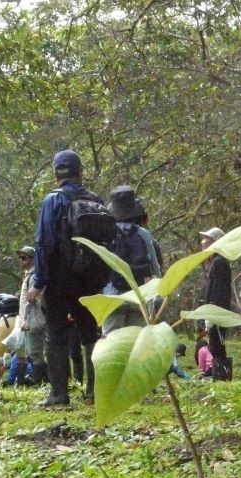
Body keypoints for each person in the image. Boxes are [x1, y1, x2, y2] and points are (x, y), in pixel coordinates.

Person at [26, 150, 105, 407]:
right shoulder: (96, 201)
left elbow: (44, 244)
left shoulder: (52, 201)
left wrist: (38, 282)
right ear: (80, 171)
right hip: (91, 280)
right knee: (90, 334)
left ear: (55, 173)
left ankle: (59, 394)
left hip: (59, 280)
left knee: (56, 335)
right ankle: (94, 392)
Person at [102, 185, 162, 335]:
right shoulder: (143, 234)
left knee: (112, 344)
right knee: (138, 344)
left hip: (113, 297)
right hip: (139, 298)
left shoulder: (105, 234)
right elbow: (156, 268)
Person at [200, 226, 233, 381]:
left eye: (206, 239)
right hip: (214, 312)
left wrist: (213, 314)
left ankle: (223, 379)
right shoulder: (215, 262)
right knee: (214, 345)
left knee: (217, 347)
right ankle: (218, 378)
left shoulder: (219, 263)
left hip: (218, 313)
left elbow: (219, 291)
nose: (202, 242)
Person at [15, 245, 47, 385]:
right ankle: (46, 380)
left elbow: (32, 299)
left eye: (24, 258)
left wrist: (26, 321)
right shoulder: (28, 275)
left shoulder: (34, 276)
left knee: (35, 352)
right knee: (32, 352)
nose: (21, 261)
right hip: (29, 319)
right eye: (20, 258)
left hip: (34, 319)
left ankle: (38, 381)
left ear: (33, 259)